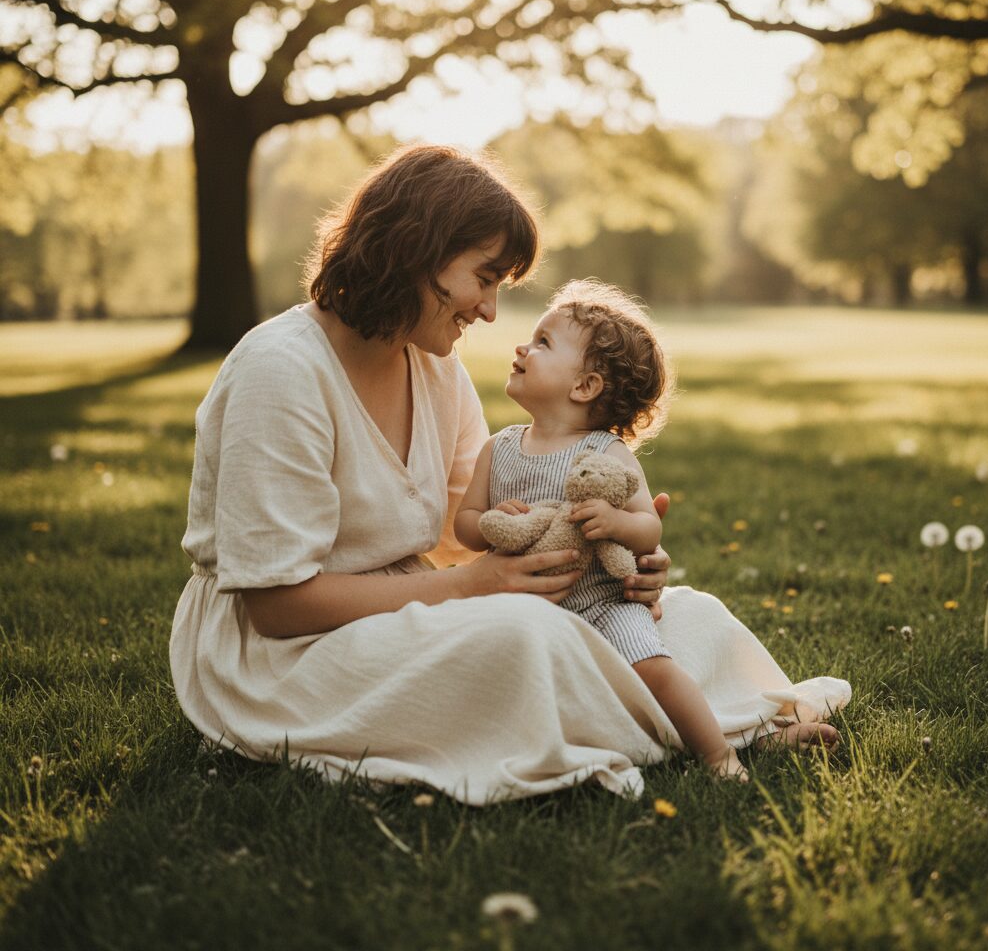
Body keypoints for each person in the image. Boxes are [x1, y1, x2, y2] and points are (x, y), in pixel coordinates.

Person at [170, 144, 847, 806]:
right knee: (528, 639)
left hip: (411, 608)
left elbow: (486, 528)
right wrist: (468, 588)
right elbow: (276, 605)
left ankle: (737, 726)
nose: (490, 312)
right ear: (416, 250)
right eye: (484, 278)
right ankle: (714, 734)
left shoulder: (433, 367)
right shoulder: (281, 371)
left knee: (688, 617)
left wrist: (618, 561)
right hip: (284, 655)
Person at [454, 281, 749, 780]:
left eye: (543, 342)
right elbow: (465, 525)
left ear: (585, 386)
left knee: (653, 668)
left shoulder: (606, 454)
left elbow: (647, 526)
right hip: (523, 607)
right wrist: (491, 522)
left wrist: (615, 523)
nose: (522, 348)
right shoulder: (499, 447)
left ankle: (719, 755)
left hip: (602, 605)